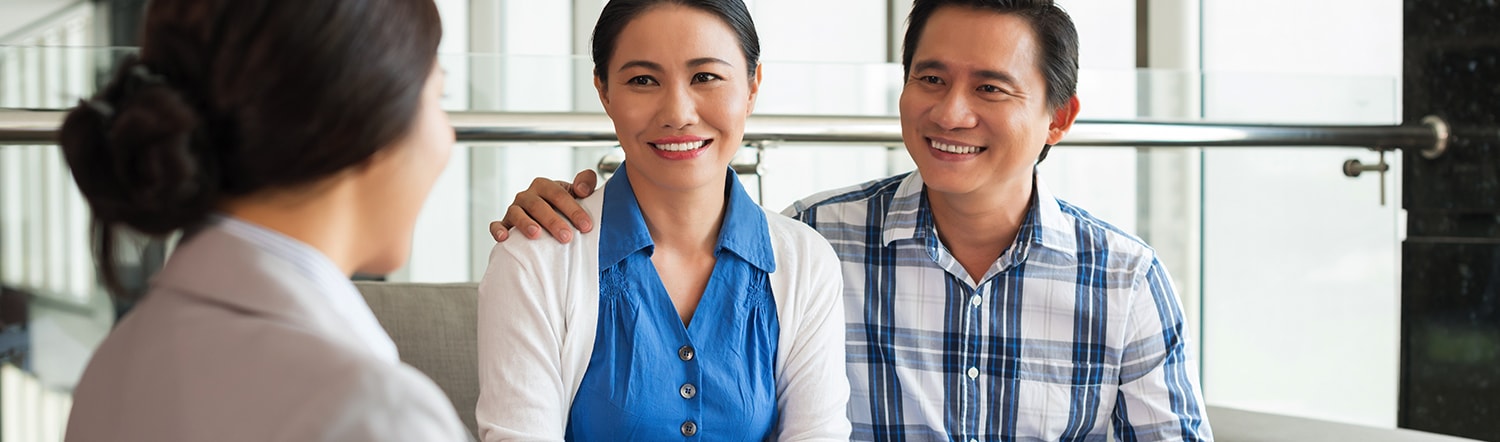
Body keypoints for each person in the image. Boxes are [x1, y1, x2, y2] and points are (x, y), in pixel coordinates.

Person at [490, 0, 1213, 440]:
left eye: (990, 87)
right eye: (930, 78)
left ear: (1059, 119)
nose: (951, 112)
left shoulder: (1123, 282)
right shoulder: (819, 242)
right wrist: (559, 205)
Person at [59, 0, 469, 440]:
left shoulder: (113, 363)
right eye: (438, 98)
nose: (449, 138)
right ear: (364, 120)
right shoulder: (376, 412)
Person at [474, 0, 851, 440]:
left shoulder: (806, 261)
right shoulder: (534, 260)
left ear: (752, 86)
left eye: (705, 77)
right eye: (642, 80)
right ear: (604, 92)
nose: (678, 113)